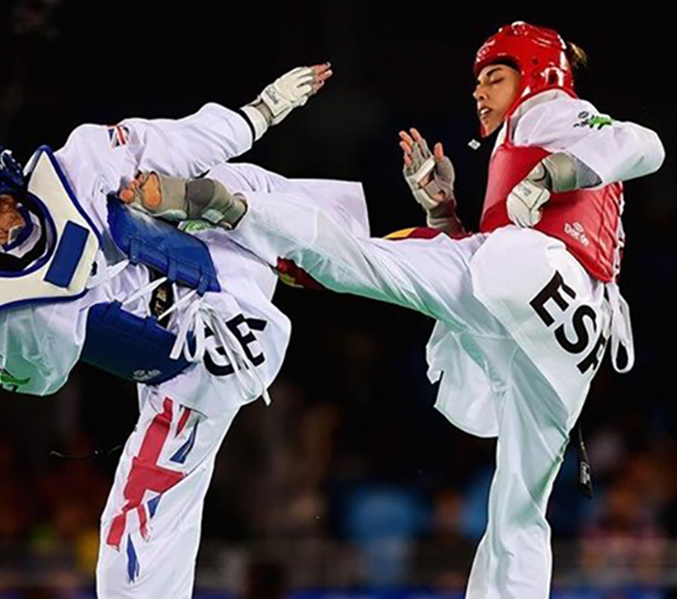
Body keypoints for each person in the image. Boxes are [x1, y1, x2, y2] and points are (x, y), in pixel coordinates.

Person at [132, 22, 665, 598]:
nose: (479, 93)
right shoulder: (528, 139)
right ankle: (250, 221)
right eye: (477, 83)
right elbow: (483, 258)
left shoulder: (548, 110)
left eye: (494, 77)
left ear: (535, 75)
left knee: (376, 259)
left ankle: (234, 210)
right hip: (561, 338)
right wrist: (444, 215)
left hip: (545, 281)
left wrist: (547, 173)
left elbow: (646, 146)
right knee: (518, 511)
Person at [0, 62, 371, 598]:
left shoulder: (19, 295)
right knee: (220, 187)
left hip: (212, 348)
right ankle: (351, 248)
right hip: (217, 301)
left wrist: (265, 107)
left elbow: (36, 379)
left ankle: (347, 251)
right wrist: (264, 108)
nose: (4, 232)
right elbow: (190, 141)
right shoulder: (77, 171)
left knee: (128, 547)